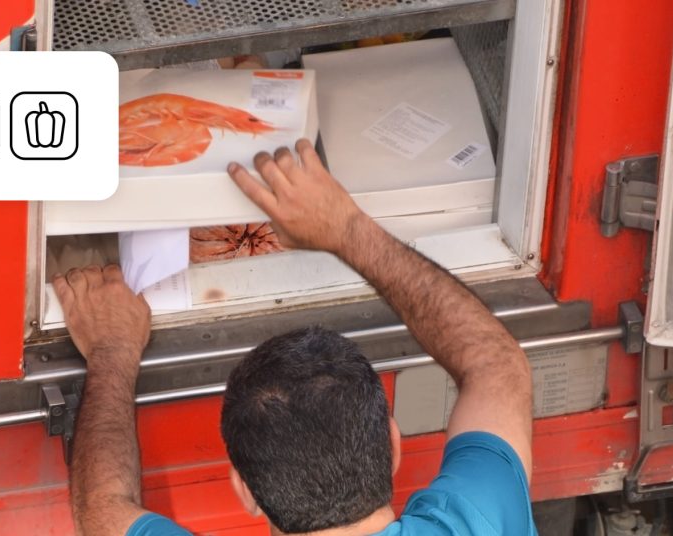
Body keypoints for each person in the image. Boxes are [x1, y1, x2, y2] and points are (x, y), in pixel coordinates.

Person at [53, 139, 536, 536]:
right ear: (392, 445)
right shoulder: (481, 525)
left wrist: (112, 350)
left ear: (244, 490)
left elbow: (103, 509)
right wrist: (347, 230)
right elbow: (496, 366)